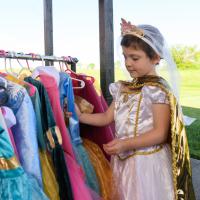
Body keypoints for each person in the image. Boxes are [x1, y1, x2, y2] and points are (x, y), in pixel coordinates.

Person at [75, 18, 196, 200]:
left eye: (135, 58)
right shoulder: (124, 88)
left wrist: (125, 143)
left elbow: (160, 133)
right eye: (125, 56)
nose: (128, 63)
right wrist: (80, 116)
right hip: (125, 161)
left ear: (155, 58)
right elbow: (107, 118)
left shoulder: (156, 91)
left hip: (147, 163)